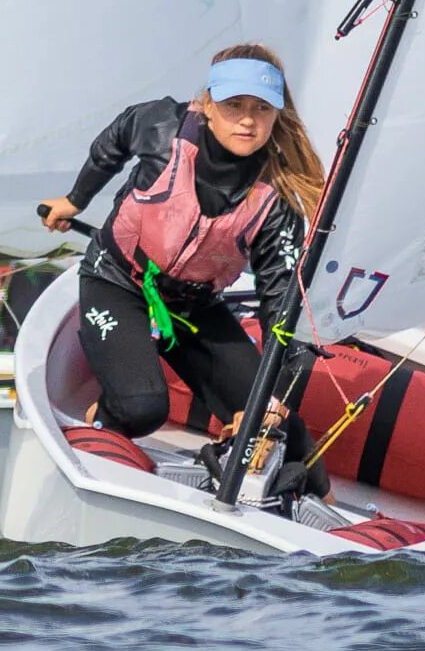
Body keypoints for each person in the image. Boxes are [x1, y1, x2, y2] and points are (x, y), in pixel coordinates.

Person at [37, 43, 325, 489]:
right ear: (207, 104)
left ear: (276, 115)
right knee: (142, 409)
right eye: (234, 106)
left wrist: (271, 398)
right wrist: (75, 200)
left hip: (192, 307)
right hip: (118, 283)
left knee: (285, 432)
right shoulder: (160, 126)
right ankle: (98, 422)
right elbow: (111, 143)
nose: (247, 120)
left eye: (261, 109)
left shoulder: (277, 198)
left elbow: (278, 302)